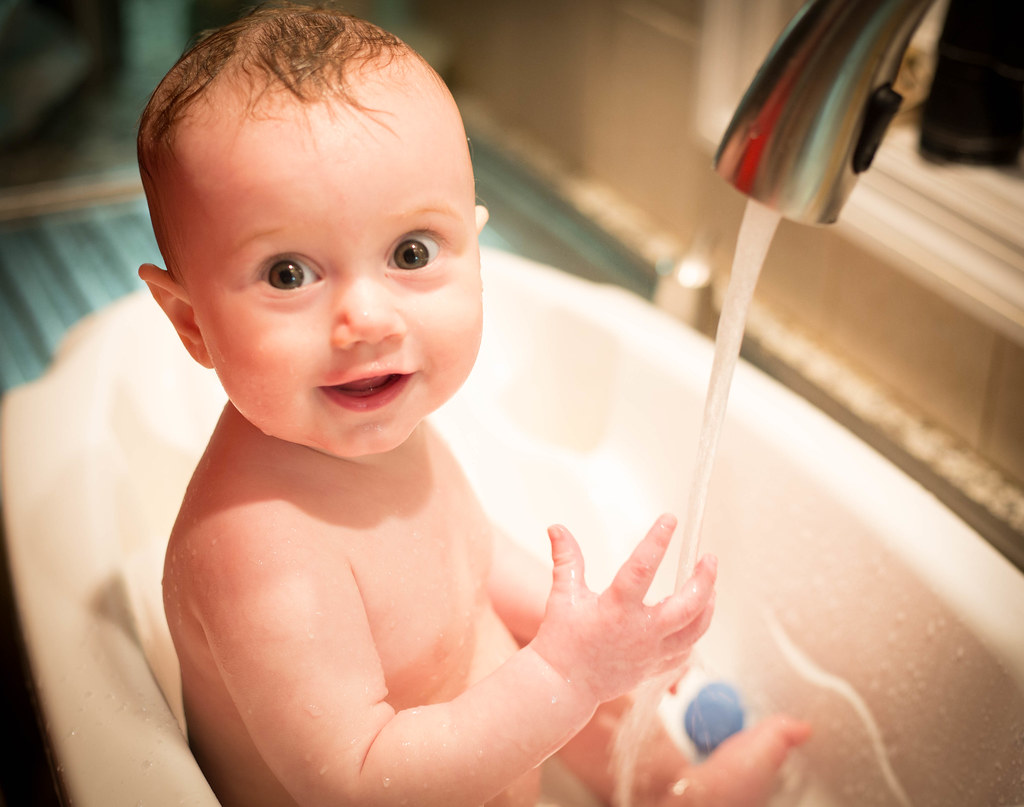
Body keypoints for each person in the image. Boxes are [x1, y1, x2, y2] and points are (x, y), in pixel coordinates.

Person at [136, 4, 810, 805]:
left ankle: (676, 789)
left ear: (476, 249)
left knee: (582, 691)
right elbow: (361, 781)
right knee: (565, 682)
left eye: (410, 252)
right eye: (289, 273)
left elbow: (468, 557)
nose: (368, 319)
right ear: (191, 322)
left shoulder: (366, 424)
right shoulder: (258, 548)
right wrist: (566, 673)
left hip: (488, 745)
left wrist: (587, 634)